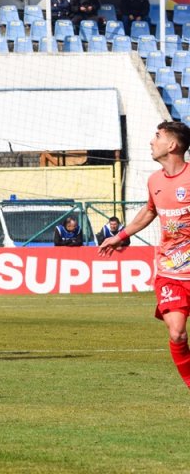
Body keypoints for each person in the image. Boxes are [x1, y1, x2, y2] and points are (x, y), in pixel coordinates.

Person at [99, 121, 190, 391]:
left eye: (158, 136)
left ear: (172, 145)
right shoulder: (154, 180)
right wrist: (120, 236)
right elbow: (149, 212)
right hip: (170, 273)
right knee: (177, 333)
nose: (152, 141)